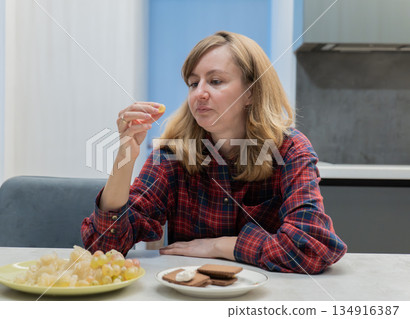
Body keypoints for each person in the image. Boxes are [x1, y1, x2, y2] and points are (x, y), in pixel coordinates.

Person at [81, 31, 347, 274]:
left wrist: (222, 246)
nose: (200, 93)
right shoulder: (174, 153)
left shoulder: (290, 149)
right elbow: (104, 247)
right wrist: (124, 154)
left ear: (251, 93)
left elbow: (310, 248)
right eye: (193, 83)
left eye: (216, 81)